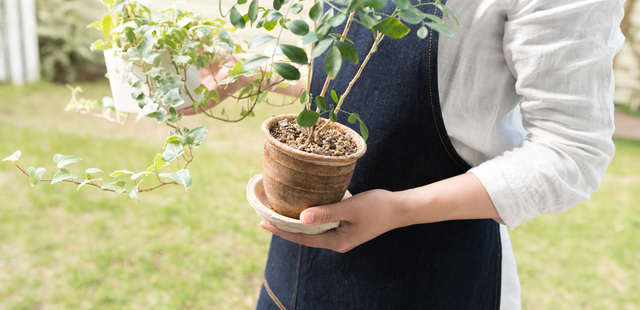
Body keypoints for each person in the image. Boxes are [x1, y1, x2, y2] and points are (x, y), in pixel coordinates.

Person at [186, 0, 625, 308]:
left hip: (428, 276)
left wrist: (397, 210)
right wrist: (249, 73)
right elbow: (359, 73)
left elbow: (572, 151)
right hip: (297, 274)